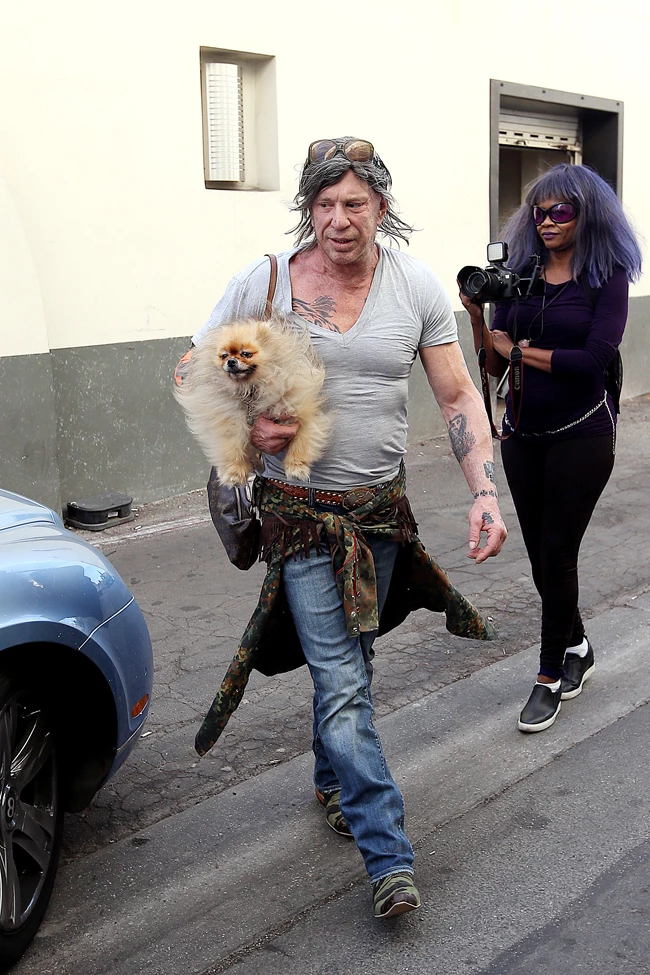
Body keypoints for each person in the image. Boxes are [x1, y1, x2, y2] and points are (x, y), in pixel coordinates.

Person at [191, 137, 507, 918]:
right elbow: (195, 366)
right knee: (341, 681)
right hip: (299, 520)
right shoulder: (266, 283)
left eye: (354, 203)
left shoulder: (416, 287)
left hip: (380, 516)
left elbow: (459, 396)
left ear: (381, 208)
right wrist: (248, 417)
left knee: (352, 666)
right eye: (325, 204)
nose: (339, 219)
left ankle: (332, 777)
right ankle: (389, 856)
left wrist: (484, 492)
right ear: (309, 210)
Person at [461, 163, 642, 734]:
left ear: (589, 216)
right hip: (524, 434)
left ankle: (547, 677)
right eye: (538, 212)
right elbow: (492, 359)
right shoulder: (520, 276)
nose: (546, 221)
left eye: (560, 211)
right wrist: (478, 315)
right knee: (543, 554)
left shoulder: (605, 277)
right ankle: (579, 645)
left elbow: (592, 362)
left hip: (583, 434)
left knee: (558, 551)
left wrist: (518, 352)